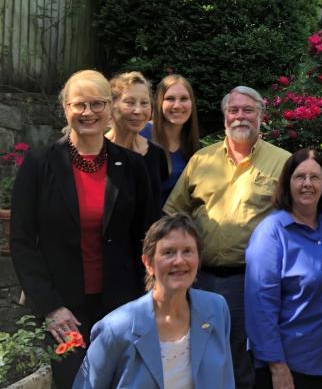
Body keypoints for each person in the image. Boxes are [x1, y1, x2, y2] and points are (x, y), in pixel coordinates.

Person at [10, 70, 155, 388]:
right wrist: (50, 307)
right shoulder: (39, 164)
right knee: (75, 381)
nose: (88, 113)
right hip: (65, 310)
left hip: (122, 304)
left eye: (97, 104)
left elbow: (148, 237)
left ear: (110, 110)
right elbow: (22, 240)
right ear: (66, 108)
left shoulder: (131, 166)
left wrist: (148, 299)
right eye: (79, 105)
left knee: (123, 381)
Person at [165, 86, 291, 389]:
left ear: (261, 116)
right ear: (224, 118)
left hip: (251, 281)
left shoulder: (284, 162)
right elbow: (173, 215)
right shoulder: (201, 161)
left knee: (241, 360)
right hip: (199, 279)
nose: (240, 116)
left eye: (248, 110)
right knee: (196, 354)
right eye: (233, 110)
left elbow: (298, 220)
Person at [73, 213, 235, 388]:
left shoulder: (217, 309)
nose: (179, 261)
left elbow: (225, 380)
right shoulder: (115, 329)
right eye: (168, 252)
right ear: (148, 263)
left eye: (187, 251)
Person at [245, 148, 322, 389]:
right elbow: (260, 309)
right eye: (300, 177)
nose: (308, 184)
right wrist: (277, 367)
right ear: (287, 182)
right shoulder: (271, 234)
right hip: (296, 367)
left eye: (315, 177)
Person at [106, 71, 168, 214]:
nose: (138, 110)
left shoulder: (157, 154)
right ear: (111, 105)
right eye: (130, 102)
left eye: (145, 103)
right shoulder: (99, 152)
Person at [141, 74, 200, 206]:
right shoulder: (141, 136)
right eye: (170, 99)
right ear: (159, 102)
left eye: (184, 99)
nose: (177, 105)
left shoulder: (194, 145)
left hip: (179, 223)